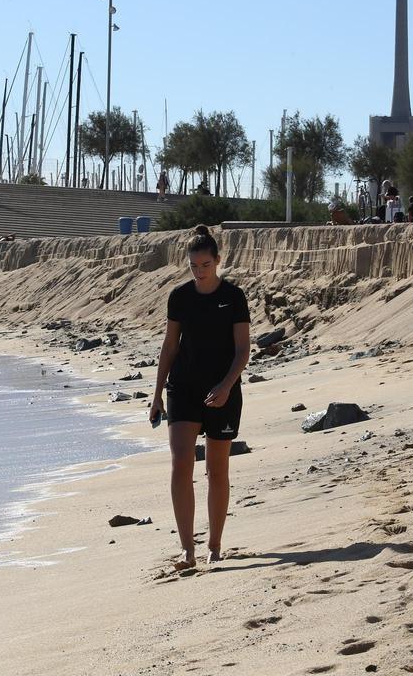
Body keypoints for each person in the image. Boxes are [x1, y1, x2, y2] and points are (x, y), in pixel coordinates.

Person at [150, 225, 251, 570]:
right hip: (183, 387)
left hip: (222, 390)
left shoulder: (234, 297)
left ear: (218, 261)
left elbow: (242, 351)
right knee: (180, 463)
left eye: (205, 265)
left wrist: (226, 386)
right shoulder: (179, 297)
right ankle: (186, 549)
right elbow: (169, 347)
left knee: (216, 469)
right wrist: (157, 393)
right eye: (194, 266)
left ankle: (215, 545)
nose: (200, 271)